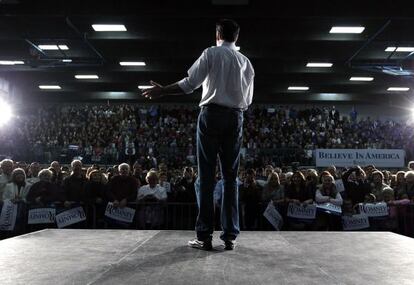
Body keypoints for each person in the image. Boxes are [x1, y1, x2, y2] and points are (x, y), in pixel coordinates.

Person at [142, 19, 254, 250]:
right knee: (231, 177)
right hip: (236, 117)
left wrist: (163, 91)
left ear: (218, 34)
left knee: (205, 175)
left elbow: (190, 83)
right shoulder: (246, 63)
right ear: (237, 37)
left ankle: (204, 236)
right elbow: (249, 100)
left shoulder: (211, 53)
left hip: (212, 114)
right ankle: (230, 236)